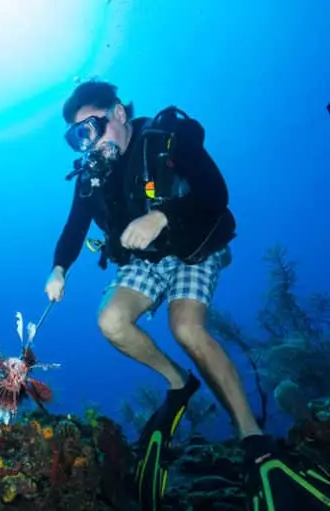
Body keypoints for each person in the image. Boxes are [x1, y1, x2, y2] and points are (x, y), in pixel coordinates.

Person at [43, 80, 330, 510]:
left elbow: (216, 194)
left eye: (93, 127)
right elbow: (74, 227)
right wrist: (59, 269)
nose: (88, 143)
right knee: (111, 321)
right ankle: (179, 384)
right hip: (145, 261)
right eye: (77, 136)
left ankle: (253, 438)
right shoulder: (91, 180)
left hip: (194, 246)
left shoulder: (167, 139)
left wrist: (161, 215)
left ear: (119, 114)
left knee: (186, 328)